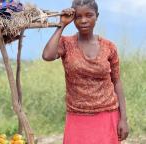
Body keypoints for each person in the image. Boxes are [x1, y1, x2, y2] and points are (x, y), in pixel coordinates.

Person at [42, 0, 129, 143]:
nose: (83, 20)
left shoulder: (109, 47)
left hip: (107, 115)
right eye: (78, 17)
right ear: (73, 19)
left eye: (89, 15)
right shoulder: (66, 43)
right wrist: (62, 25)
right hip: (77, 116)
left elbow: (117, 81)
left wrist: (123, 119)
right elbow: (47, 56)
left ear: (97, 16)